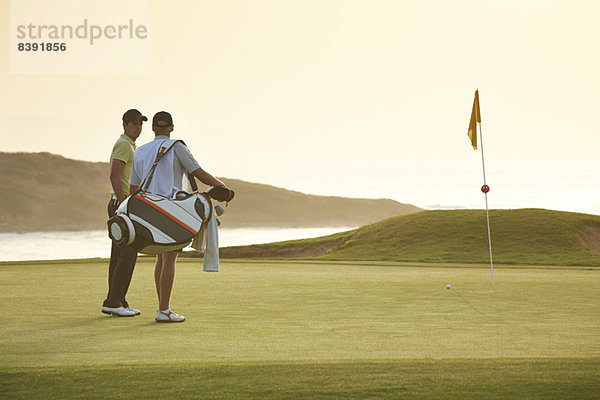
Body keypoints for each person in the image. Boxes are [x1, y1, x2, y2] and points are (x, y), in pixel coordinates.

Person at [129, 111, 227, 323]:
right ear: (171, 128)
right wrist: (222, 187)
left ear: (153, 128)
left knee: (160, 258)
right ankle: (163, 310)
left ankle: (161, 306)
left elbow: (133, 189)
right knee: (170, 257)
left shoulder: (140, 151)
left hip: (148, 209)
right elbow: (199, 173)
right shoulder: (176, 147)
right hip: (171, 209)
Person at [102, 109, 147, 317]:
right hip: (121, 205)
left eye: (140, 124)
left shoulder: (129, 145)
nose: (138, 128)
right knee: (127, 254)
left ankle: (117, 299)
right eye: (134, 124)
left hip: (120, 204)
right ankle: (113, 301)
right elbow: (114, 176)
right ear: (125, 125)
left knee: (120, 255)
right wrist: (124, 205)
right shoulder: (123, 145)